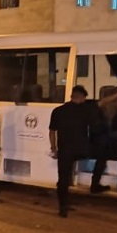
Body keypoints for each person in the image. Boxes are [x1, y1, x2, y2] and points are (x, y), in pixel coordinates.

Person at [49, 85, 92, 217]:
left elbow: (52, 131)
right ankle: (65, 204)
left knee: (63, 178)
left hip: (64, 150)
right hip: (79, 149)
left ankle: (63, 207)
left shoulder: (58, 111)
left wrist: (53, 148)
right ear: (81, 97)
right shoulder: (85, 111)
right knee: (67, 177)